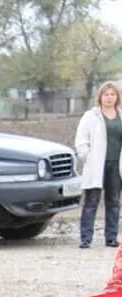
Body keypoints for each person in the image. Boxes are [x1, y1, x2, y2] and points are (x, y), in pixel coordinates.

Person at [75, 81, 122, 248]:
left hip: (116, 166)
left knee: (114, 201)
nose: (109, 98)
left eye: (112, 94)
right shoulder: (91, 116)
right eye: (106, 94)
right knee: (92, 201)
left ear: (117, 97)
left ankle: (111, 237)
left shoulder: (121, 115)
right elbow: (81, 141)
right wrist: (88, 158)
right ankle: (86, 238)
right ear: (100, 97)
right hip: (96, 165)